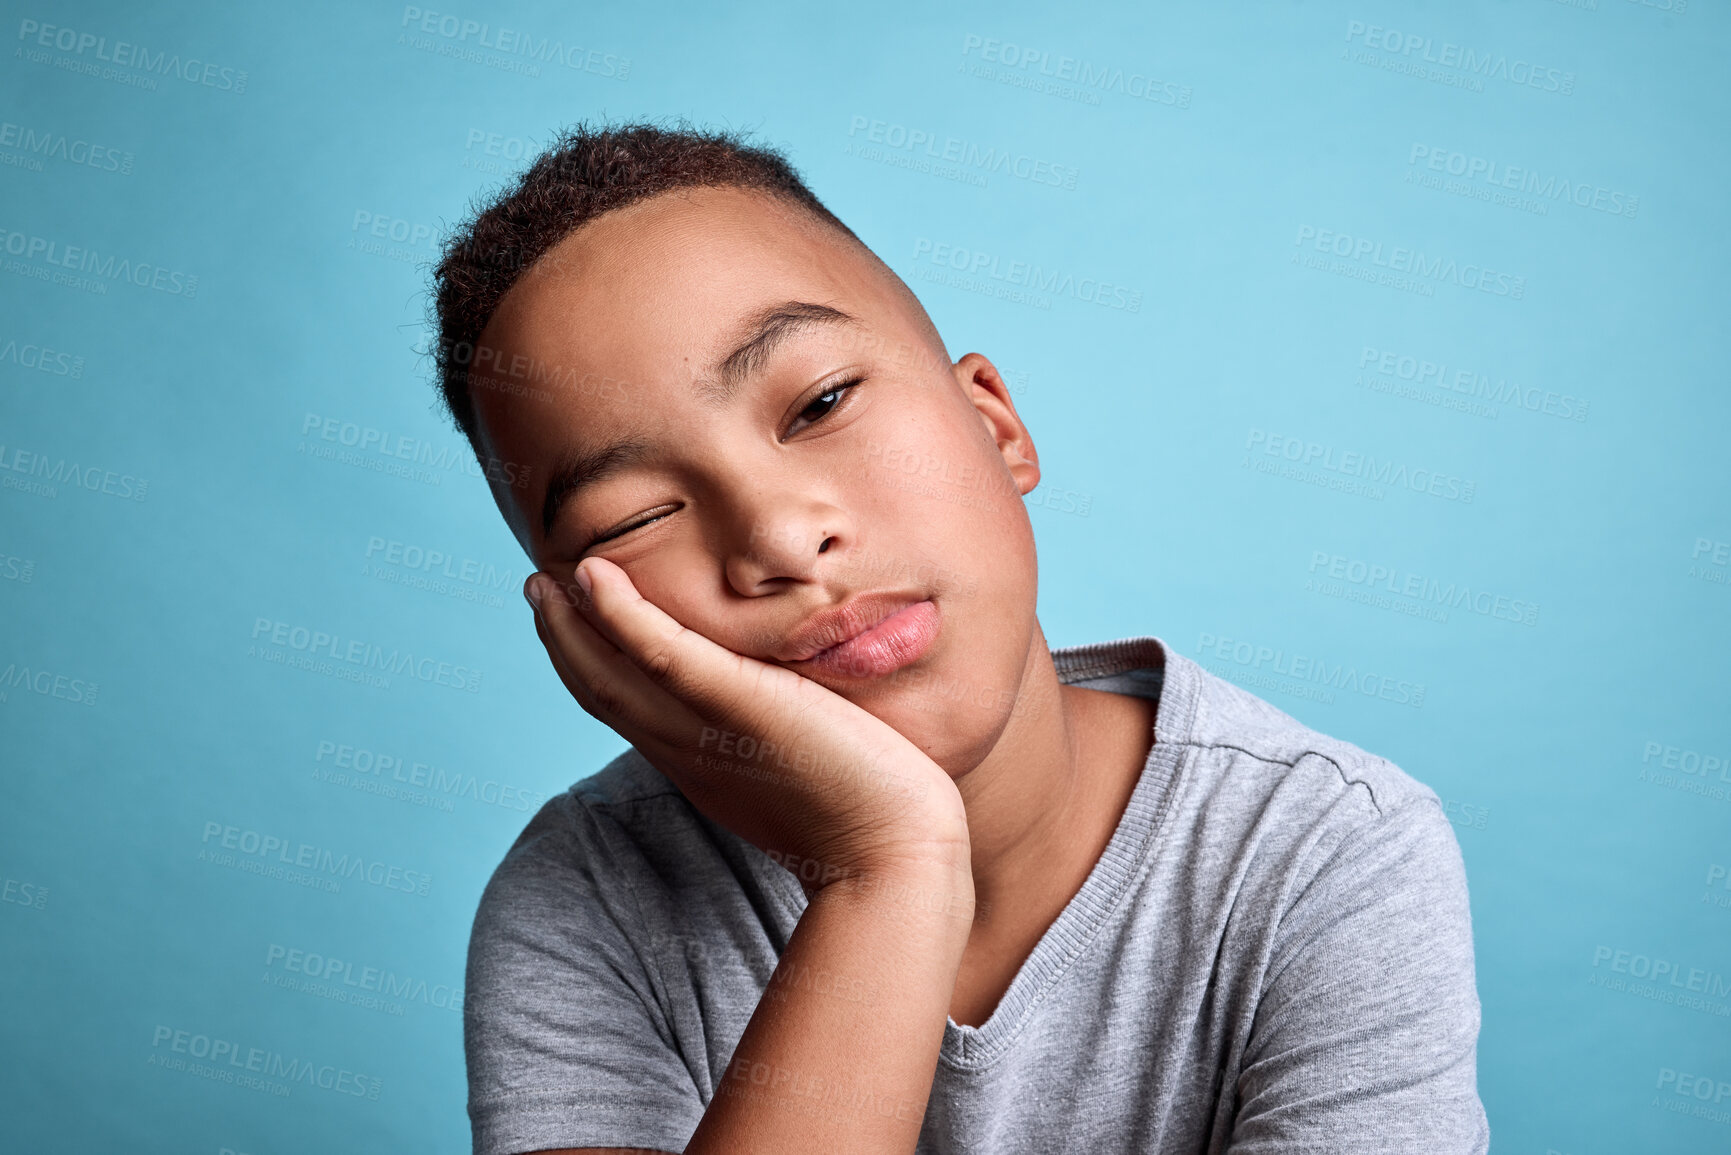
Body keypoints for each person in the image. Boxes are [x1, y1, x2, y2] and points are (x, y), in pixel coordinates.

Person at [430, 122, 1488, 1155]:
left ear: (996, 424)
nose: (782, 539)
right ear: (584, 622)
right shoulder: (591, 899)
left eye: (823, 401)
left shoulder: (1323, 849)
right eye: (633, 518)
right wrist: (883, 870)